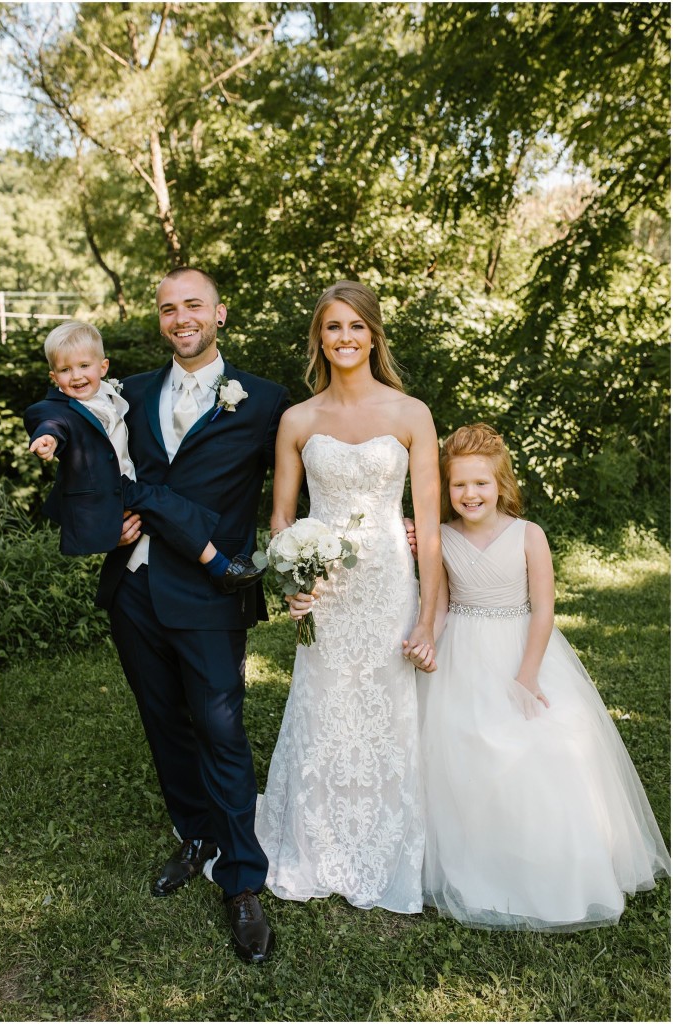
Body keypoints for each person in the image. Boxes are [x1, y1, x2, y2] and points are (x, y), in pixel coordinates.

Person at [94, 269, 289, 964]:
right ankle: (197, 834)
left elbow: (302, 480)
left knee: (220, 730)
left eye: (194, 306)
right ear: (160, 319)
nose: (182, 318)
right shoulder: (129, 393)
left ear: (220, 314)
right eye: (169, 308)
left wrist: (390, 526)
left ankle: (241, 882)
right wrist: (102, 525)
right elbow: (92, 474)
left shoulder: (264, 402)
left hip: (210, 594)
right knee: (164, 724)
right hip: (136, 588)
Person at [407, 423, 670, 930]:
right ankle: (475, 864)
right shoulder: (440, 538)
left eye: (480, 483)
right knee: (460, 750)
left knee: (538, 746)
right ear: (446, 488)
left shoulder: (529, 535)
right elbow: (437, 605)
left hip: (521, 649)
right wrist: (429, 642)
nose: (469, 494)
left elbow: (544, 610)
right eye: (459, 485)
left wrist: (527, 674)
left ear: (501, 483)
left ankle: (549, 863)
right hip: (463, 651)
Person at [255, 280, 442, 913]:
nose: (344, 338)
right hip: (326, 589)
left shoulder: (410, 413)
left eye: (356, 326)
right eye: (332, 327)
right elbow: (282, 518)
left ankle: (387, 846)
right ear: (319, 337)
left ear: (374, 335)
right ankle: (317, 843)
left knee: (388, 709)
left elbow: (429, 524)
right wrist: (293, 581)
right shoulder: (299, 420)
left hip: (390, 583)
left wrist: (430, 618)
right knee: (326, 701)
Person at [24, 321, 265, 593]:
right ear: (54, 378)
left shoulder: (110, 393)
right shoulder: (57, 409)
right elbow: (50, 422)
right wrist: (48, 438)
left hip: (126, 484)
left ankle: (206, 570)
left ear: (102, 368)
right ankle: (220, 566)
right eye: (65, 370)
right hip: (108, 489)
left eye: (83, 366)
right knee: (165, 503)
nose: (76, 376)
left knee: (166, 512)